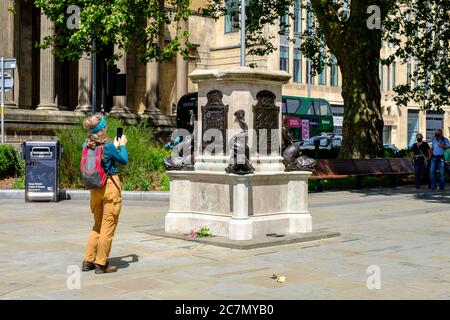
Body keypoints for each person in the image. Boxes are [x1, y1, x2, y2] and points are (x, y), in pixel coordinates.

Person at [81, 115, 128, 274]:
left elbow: (102, 157)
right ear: (102, 129)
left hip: (94, 188)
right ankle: (101, 263)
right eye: (105, 126)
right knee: (108, 226)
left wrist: (114, 147)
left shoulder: (86, 144)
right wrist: (122, 145)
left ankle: (88, 261)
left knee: (97, 225)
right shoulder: (108, 145)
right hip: (109, 187)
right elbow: (123, 160)